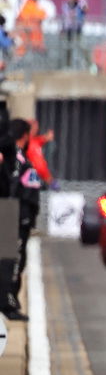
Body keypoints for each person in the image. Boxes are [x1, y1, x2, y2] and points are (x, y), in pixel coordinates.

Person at [0, 119, 36, 320]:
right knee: (10, 263)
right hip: (11, 215)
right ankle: (7, 302)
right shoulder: (17, 161)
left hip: (11, 214)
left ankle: (8, 301)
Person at [61, 0, 88, 68]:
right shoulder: (67, 3)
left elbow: (85, 10)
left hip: (78, 28)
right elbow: (65, 16)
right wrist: (63, 29)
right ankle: (67, 65)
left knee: (83, 46)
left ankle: (90, 65)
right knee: (68, 48)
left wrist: (79, 5)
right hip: (69, 28)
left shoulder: (81, 2)